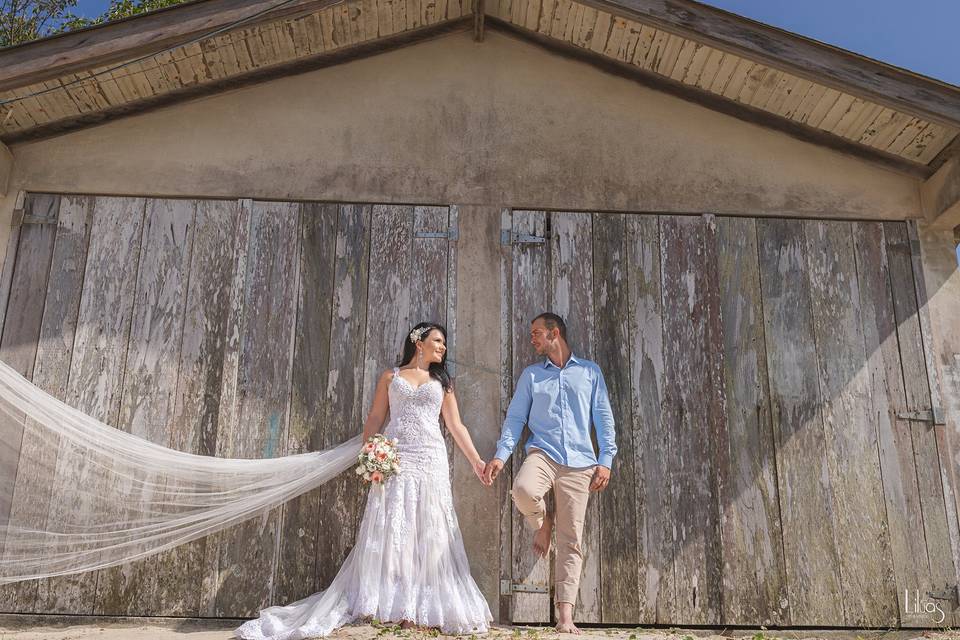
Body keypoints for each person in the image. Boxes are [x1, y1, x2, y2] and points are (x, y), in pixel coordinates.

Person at [236, 322, 493, 639]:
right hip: (395, 457)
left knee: (428, 528)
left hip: (430, 459)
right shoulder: (391, 377)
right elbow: (375, 418)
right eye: (438, 341)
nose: (443, 347)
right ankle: (391, 602)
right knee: (393, 526)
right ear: (418, 342)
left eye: (444, 343)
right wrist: (371, 454)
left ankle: (422, 604)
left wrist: (478, 462)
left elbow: (456, 426)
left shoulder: (443, 383)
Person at [484, 312, 617, 635]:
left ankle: (565, 617)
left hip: (581, 463)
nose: (532, 339)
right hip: (543, 453)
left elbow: (603, 417)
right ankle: (543, 523)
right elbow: (516, 418)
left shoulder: (590, 372)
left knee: (572, 540)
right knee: (523, 490)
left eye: (537, 333)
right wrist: (502, 455)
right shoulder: (532, 376)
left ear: (554, 333)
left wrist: (606, 459)